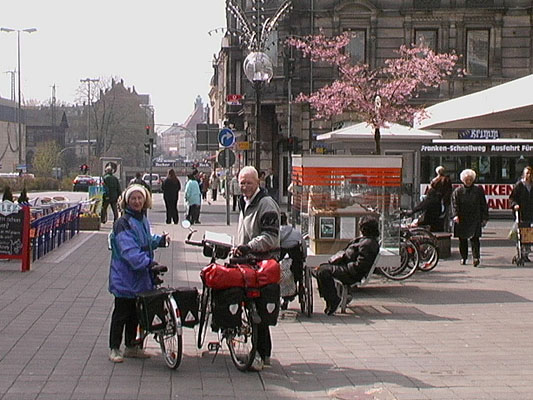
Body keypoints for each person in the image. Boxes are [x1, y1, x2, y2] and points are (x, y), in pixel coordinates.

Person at [108, 184, 170, 363]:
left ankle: (131, 346)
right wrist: (148, 263)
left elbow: (146, 241)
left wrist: (160, 241)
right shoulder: (123, 223)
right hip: (125, 277)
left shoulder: (142, 219)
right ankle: (114, 347)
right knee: (121, 313)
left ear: (145, 200)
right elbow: (129, 252)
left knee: (135, 314)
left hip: (140, 277)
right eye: (133, 198)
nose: (137, 201)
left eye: (140, 198)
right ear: (127, 201)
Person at [234, 166, 280, 371]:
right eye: (242, 183)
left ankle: (261, 354)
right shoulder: (244, 202)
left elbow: (271, 236)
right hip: (247, 263)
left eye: (249, 183)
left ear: (258, 182)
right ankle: (264, 353)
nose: (245, 187)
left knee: (258, 312)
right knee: (255, 310)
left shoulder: (266, 203)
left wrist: (248, 246)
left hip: (263, 265)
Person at [314, 216, 380, 316]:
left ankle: (333, 300)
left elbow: (360, 265)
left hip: (351, 272)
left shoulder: (368, 244)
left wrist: (343, 264)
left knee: (323, 271)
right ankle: (330, 298)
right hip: (348, 268)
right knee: (321, 268)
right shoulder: (366, 241)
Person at [451, 169, 489, 267]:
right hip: (462, 218)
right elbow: (454, 205)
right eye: (466, 179)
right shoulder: (458, 191)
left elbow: (483, 204)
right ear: (463, 180)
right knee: (462, 239)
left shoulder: (478, 190)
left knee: (475, 239)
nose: (468, 181)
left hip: (475, 217)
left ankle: (476, 258)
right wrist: (455, 216)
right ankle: (463, 257)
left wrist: (484, 217)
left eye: (470, 179)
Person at [279, 212, 306, 310]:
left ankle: (283, 298)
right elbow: (303, 247)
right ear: (286, 220)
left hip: (280, 265)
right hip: (295, 264)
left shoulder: (277, 233)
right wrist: (304, 258)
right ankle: (294, 291)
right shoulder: (296, 232)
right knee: (296, 273)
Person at [509, 166, 533, 262]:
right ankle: (521, 253)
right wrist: (515, 205)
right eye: (527, 173)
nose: (529, 175)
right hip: (522, 213)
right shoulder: (519, 185)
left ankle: (526, 253)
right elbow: (512, 198)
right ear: (523, 174)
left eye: (530, 174)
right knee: (522, 234)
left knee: (530, 234)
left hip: (531, 213)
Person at [430, 166, 453, 231]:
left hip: (436, 201)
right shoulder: (447, 180)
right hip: (445, 200)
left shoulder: (434, 180)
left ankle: (437, 228)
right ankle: (446, 229)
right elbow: (449, 190)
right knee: (446, 215)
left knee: (437, 215)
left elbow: (431, 190)